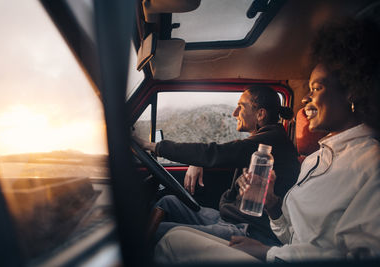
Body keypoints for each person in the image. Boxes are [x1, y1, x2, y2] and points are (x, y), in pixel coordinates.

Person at [154, 18, 380, 263]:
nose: (305, 100)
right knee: (170, 213)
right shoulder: (317, 158)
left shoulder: (371, 163)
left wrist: (266, 251)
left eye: (316, 88)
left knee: (170, 239)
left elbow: (358, 257)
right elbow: (291, 236)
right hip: (277, 252)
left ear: (352, 92)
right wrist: (272, 204)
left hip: (272, 251)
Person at [136, 85, 300, 244]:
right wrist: (197, 162)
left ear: (260, 114)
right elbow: (222, 152)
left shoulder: (270, 142)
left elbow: (215, 153)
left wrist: (153, 146)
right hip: (230, 218)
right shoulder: (265, 138)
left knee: (157, 231)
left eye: (240, 107)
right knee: (168, 202)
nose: (235, 113)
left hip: (250, 230)